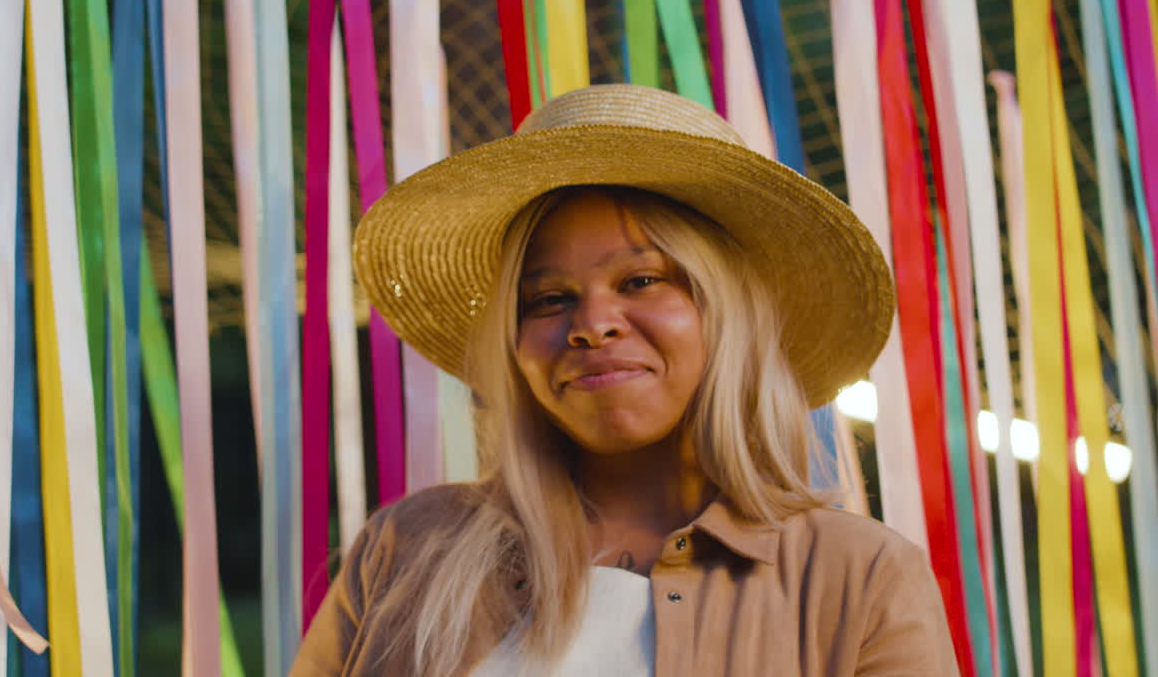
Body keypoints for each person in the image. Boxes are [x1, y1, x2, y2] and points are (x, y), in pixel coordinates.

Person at [291, 84, 959, 676]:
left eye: (641, 281)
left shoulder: (860, 577)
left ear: (726, 316)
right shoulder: (407, 548)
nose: (590, 324)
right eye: (546, 299)